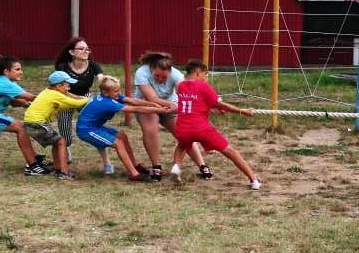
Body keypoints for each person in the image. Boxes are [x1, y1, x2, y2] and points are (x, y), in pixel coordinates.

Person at [170, 60, 261, 189]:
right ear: (198, 72)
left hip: (182, 128)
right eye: (205, 74)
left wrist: (212, 108)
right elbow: (219, 104)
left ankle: (176, 167)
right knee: (230, 151)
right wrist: (241, 111)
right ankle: (253, 179)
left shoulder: (180, 86)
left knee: (182, 145)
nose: (206, 77)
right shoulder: (203, 86)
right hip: (201, 128)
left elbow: (195, 103)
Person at [77, 75, 174, 182]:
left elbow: (132, 101)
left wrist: (152, 104)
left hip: (95, 127)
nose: (118, 93)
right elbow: (136, 109)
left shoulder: (110, 96)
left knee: (122, 136)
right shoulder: (108, 103)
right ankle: (134, 174)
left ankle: (135, 166)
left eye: (118, 90)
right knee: (118, 143)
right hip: (86, 130)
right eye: (115, 91)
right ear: (105, 92)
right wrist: (159, 110)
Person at [133, 51, 208, 181]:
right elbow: (152, 98)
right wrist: (171, 105)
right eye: (157, 76)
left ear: (170, 72)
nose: (160, 79)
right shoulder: (142, 72)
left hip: (170, 104)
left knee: (185, 132)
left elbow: (184, 93)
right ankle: (156, 166)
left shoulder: (176, 75)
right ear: (152, 69)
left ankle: (202, 165)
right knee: (151, 129)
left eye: (164, 77)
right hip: (147, 104)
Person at [53, 36, 110, 172]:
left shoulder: (93, 66)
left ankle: (107, 162)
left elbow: (102, 80)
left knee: (95, 127)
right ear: (72, 52)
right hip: (65, 97)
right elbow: (61, 89)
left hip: (85, 96)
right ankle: (65, 152)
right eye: (82, 48)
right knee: (65, 132)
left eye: (87, 49)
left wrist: (106, 87)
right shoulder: (62, 67)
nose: (86, 51)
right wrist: (78, 99)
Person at [22, 71, 90, 181]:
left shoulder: (48, 92)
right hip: (36, 123)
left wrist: (73, 96)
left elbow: (62, 106)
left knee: (57, 142)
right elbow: (75, 103)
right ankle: (64, 173)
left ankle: (58, 169)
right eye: (67, 85)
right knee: (61, 141)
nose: (69, 88)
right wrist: (89, 99)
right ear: (58, 86)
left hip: (31, 122)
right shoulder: (56, 95)